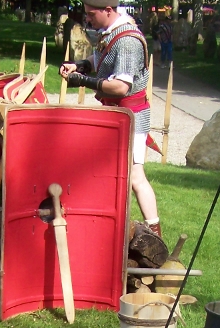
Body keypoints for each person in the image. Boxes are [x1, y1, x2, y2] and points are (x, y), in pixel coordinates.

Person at [59, 0, 162, 238]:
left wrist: (82, 81)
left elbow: (120, 87)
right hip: (116, 115)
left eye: (91, 14)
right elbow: (103, 58)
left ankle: (156, 237)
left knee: (136, 177)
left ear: (108, 10)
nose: (87, 18)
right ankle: (103, 225)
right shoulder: (111, 31)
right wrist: (81, 65)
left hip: (130, 116)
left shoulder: (127, 40)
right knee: (106, 171)